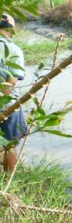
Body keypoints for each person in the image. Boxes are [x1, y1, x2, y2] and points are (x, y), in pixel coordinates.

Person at [0, 13, 27, 172]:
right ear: (11, 29)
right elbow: (11, 83)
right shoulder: (15, 50)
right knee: (10, 144)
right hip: (7, 104)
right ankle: (8, 179)